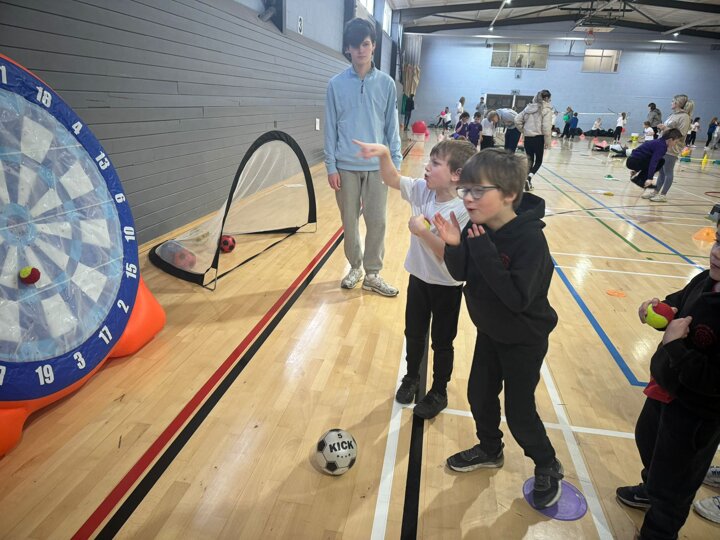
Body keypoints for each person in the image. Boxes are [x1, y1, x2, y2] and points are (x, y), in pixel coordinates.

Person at [434, 148, 563, 510]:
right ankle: (490, 448)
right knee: (479, 395)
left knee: (519, 413)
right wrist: (454, 245)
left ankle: (547, 463)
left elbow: (517, 299)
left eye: (479, 191)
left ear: (509, 194)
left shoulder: (529, 241)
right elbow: (461, 273)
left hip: (524, 339)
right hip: (490, 331)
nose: (468, 198)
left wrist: (481, 249)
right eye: (466, 190)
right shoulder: (476, 227)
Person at [354, 138, 477, 419]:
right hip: (419, 279)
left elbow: (449, 256)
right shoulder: (423, 190)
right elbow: (392, 179)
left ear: (456, 174)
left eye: (435, 163)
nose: (427, 167)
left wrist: (422, 232)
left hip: (447, 286)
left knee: (442, 341)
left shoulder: (461, 210)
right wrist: (384, 154)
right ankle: (411, 377)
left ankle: (439, 390)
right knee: (414, 332)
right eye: (429, 161)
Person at [615, 222, 720, 539]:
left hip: (698, 413)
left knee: (675, 484)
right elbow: (679, 303)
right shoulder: (706, 280)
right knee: (647, 439)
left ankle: (658, 531)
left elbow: (714, 380)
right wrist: (660, 309)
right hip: (668, 389)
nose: (717, 253)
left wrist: (674, 346)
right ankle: (651, 488)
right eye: (719, 240)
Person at [324, 17, 401, 296]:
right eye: (355, 45)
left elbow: (392, 126)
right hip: (345, 167)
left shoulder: (387, 84)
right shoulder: (335, 85)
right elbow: (330, 127)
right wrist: (331, 166)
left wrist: (394, 164)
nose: (361, 50)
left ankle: (372, 274)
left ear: (374, 46)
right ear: (348, 48)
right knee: (350, 222)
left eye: (365, 44)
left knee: (377, 221)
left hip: (378, 167)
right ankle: (355, 267)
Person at [642, 94, 693, 203]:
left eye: (672, 101)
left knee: (668, 171)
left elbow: (681, 134)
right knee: (661, 171)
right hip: (663, 145)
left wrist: (665, 128)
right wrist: (662, 128)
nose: (671, 103)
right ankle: (655, 192)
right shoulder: (673, 115)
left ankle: (663, 195)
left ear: (677, 103)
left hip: (672, 147)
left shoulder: (684, 117)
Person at [515, 89, 553, 192]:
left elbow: (517, 120)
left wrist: (524, 131)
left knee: (530, 161)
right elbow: (546, 128)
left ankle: (527, 182)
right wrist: (548, 143)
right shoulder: (546, 109)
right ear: (546, 98)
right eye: (549, 99)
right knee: (538, 161)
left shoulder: (528, 108)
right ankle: (529, 178)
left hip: (528, 138)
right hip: (538, 138)